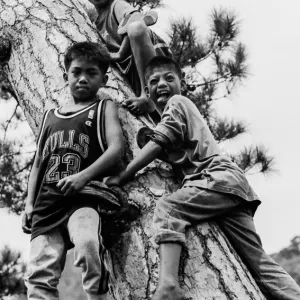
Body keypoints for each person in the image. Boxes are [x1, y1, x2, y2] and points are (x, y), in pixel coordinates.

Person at [105, 56, 300, 300]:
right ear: (147, 90)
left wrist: (124, 174)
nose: (161, 84)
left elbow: (159, 141)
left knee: (169, 208)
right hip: (232, 188)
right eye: (153, 81)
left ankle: (168, 286)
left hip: (215, 179)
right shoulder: (178, 119)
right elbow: (165, 144)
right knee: (258, 264)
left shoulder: (178, 102)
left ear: (182, 82)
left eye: (169, 78)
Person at [22, 41, 124, 300]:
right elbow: (37, 164)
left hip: (83, 197)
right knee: (39, 273)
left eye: (91, 73)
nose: (82, 79)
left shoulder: (103, 107)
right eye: (76, 72)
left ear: (104, 78)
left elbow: (116, 150)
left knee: (88, 244)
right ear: (65, 74)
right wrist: (28, 204)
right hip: (46, 204)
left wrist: (83, 176)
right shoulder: (49, 116)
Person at [84, 0, 172, 116]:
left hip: (153, 65)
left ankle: (148, 96)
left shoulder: (117, 4)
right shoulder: (93, 24)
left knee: (136, 28)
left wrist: (121, 53)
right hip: (134, 74)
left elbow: (135, 20)